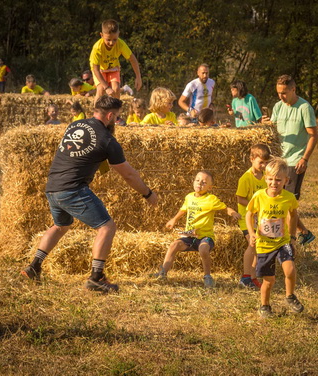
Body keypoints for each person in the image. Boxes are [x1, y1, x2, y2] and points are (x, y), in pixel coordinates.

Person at [21, 96, 158, 291]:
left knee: (60, 226)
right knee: (106, 227)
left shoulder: (74, 125)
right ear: (109, 116)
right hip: (72, 189)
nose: (117, 120)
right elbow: (128, 175)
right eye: (116, 117)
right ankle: (96, 278)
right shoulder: (107, 140)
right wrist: (148, 193)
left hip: (52, 186)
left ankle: (34, 267)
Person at [156, 171, 240, 288]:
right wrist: (174, 219)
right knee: (173, 245)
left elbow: (225, 208)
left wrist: (233, 213)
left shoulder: (211, 199)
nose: (200, 183)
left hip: (205, 237)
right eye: (197, 180)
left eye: (204, 182)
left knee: (203, 249)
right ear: (193, 182)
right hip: (190, 236)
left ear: (210, 187)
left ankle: (207, 277)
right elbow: (183, 209)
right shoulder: (189, 197)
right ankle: (162, 273)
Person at [261, 74, 316, 245]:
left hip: (295, 161)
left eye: (284, 93)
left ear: (293, 89)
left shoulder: (304, 108)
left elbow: (313, 135)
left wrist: (304, 159)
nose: (281, 96)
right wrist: (265, 124)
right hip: (278, 160)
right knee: (276, 200)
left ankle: (290, 241)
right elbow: (273, 131)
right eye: (278, 93)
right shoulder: (278, 106)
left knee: (288, 203)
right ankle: (303, 233)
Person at [246, 158, 304, 318]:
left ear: (286, 180)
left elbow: (293, 215)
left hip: (282, 242)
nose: (274, 183)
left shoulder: (289, 197)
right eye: (270, 179)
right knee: (269, 280)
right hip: (264, 245)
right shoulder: (259, 196)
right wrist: (251, 233)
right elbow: (249, 214)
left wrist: (292, 236)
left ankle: (290, 296)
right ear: (265, 178)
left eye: (278, 180)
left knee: (290, 270)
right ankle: (264, 306)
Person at [236, 144, 271, 289]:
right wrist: (255, 207)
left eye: (266, 163)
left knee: (259, 246)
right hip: (247, 218)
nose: (263, 166)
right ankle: (245, 277)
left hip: (261, 218)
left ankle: (253, 277)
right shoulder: (246, 178)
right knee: (253, 244)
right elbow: (240, 199)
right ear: (251, 159)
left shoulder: (266, 177)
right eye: (260, 162)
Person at [89, 19, 142, 100]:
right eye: (108, 40)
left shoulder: (121, 44)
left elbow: (133, 59)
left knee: (116, 89)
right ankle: (96, 108)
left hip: (113, 68)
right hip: (100, 69)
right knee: (101, 90)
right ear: (101, 35)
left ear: (118, 34)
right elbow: (96, 69)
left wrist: (138, 77)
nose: (111, 43)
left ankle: (116, 108)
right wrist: (107, 87)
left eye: (115, 39)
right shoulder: (97, 48)